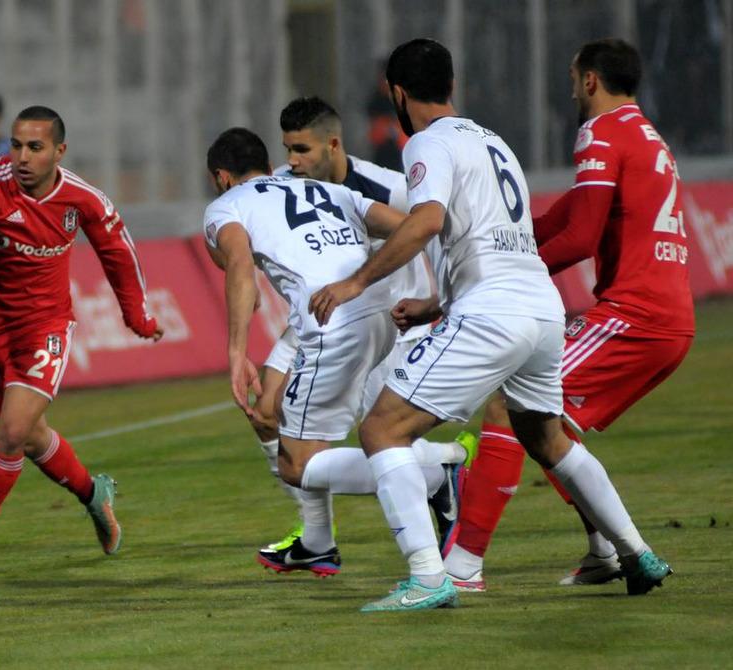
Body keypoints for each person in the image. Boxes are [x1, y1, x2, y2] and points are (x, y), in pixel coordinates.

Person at [309, 38, 671, 611]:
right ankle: (636, 552)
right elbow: (505, 240)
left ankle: (430, 578)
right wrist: (436, 304)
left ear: (397, 95)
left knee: (382, 430)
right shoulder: (493, 140)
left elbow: (426, 221)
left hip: (494, 313)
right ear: (450, 86)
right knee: (546, 437)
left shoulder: (427, 142)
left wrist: (356, 281)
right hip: (542, 310)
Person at [440, 37, 695, 591]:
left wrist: (504, 272)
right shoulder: (645, 133)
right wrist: (519, 242)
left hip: (635, 315)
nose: (572, 89)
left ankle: (461, 568)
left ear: (589, 81)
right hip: (665, 317)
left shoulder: (599, 131)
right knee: (545, 425)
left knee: (509, 410)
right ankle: (607, 551)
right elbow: (576, 213)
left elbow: (580, 237)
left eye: (572, 77)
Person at [203, 127, 467, 578]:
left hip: (333, 323)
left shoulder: (226, 207)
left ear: (221, 177)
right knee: (282, 418)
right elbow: (410, 227)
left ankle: (436, 475)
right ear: (269, 168)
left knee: (297, 464)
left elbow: (240, 267)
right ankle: (317, 543)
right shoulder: (325, 189)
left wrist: (235, 352)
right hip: (378, 313)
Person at [0, 105, 163, 572]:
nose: (22, 157)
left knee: (10, 433)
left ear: (59, 151)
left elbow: (118, 252)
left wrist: (138, 316)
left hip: (45, 327)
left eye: (35, 147)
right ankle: (94, 494)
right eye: (16, 145)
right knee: (28, 438)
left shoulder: (82, 198)